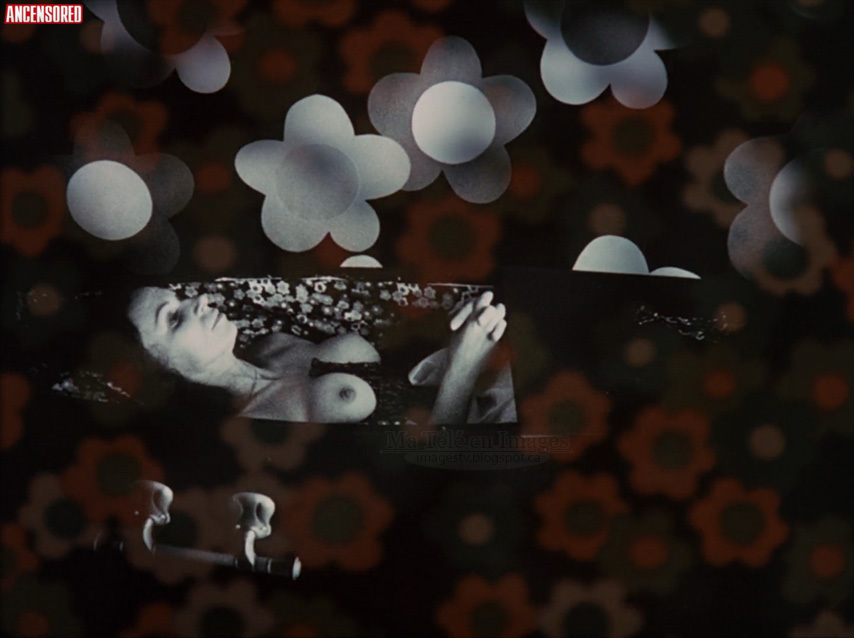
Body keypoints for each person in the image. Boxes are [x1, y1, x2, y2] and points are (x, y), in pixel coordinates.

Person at [127, 286, 511, 424]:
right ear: (162, 370)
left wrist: (468, 327)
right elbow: (431, 473)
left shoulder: (271, 344)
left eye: (181, 297)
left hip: (481, 380)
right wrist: (465, 363)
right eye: (172, 318)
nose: (198, 300)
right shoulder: (258, 426)